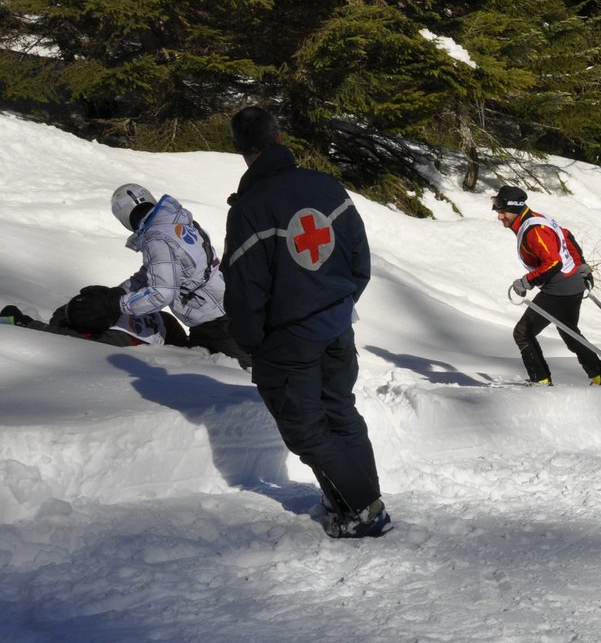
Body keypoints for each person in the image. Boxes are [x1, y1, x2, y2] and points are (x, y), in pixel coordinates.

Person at [222, 106, 390, 540]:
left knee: (306, 430)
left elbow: (245, 291)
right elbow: (359, 261)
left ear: (242, 150)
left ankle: (361, 510)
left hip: (288, 338)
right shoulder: (327, 186)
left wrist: (252, 343)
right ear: (279, 137)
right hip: (337, 323)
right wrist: (339, 302)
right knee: (341, 412)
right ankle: (357, 501)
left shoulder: (250, 209)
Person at [106, 183, 251, 366]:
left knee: (245, 379)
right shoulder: (175, 222)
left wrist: (119, 305)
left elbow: (162, 293)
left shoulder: (156, 239)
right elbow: (153, 272)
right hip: (220, 311)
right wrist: (117, 292)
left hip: (218, 324)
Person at [493, 185, 601, 387]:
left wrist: (527, 281)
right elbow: (566, 235)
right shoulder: (535, 219)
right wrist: (581, 265)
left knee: (523, 333)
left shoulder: (533, 230)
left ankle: (541, 381)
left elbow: (553, 263)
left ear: (514, 209)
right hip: (571, 286)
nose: (500, 217)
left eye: (502, 212)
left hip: (559, 289)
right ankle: (600, 377)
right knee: (570, 332)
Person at [2, 287, 185, 347]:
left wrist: (25, 324)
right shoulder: (109, 303)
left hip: (171, 335)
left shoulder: (118, 337)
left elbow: (66, 340)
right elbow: (65, 312)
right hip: (163, 320)